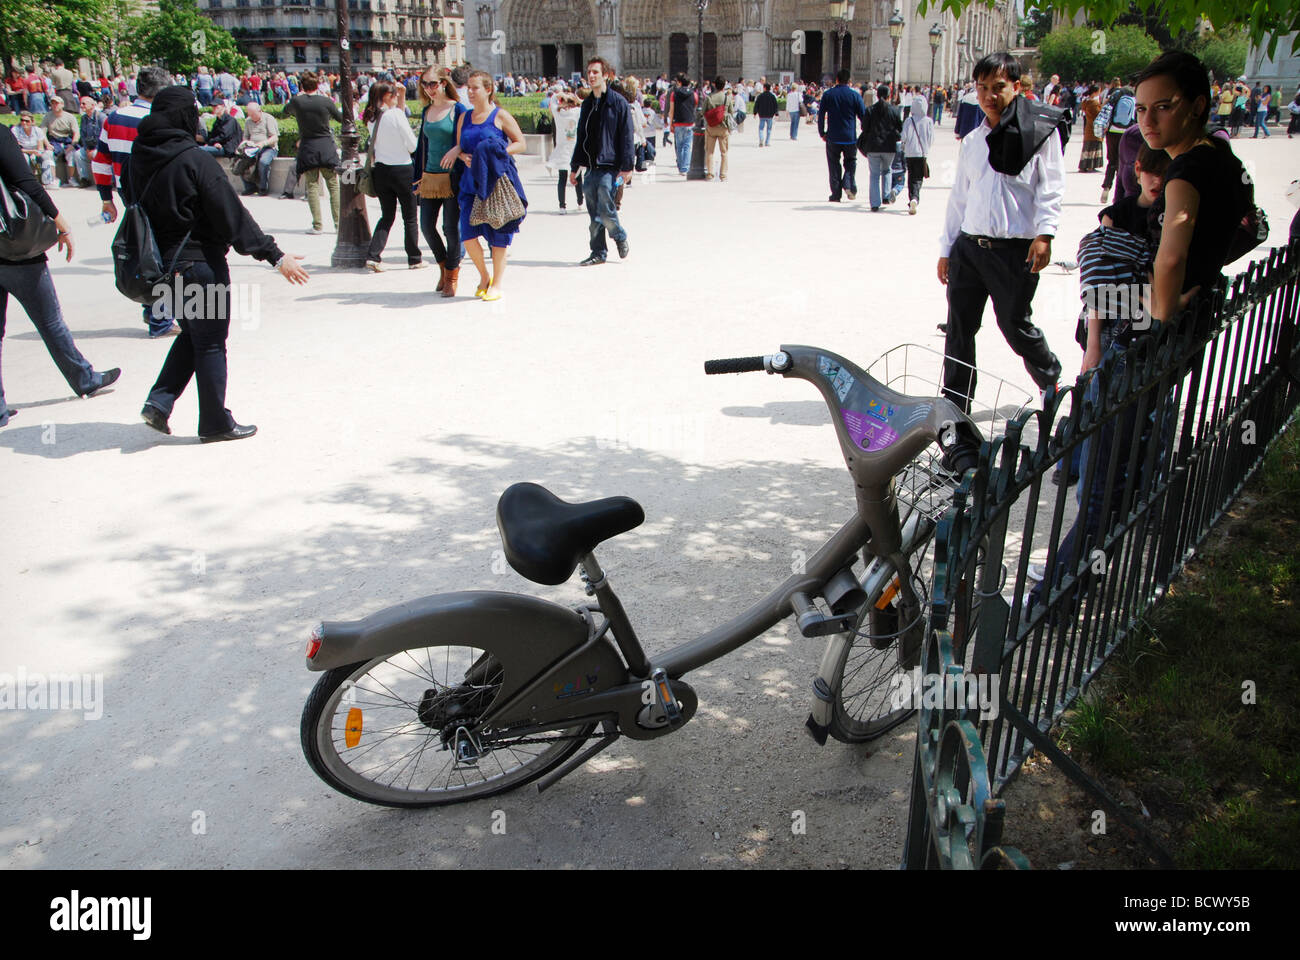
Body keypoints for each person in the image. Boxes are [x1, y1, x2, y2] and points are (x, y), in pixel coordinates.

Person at [133, 86, 308, 442]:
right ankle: (214, 422)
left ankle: (159, 402)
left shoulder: (139, 158)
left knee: (194, 334)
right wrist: (275, 255)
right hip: (198, 264)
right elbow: (232, 215)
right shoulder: (193, 160)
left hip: (161, 267)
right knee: (210, 341)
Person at [936, 53, 1064, 411]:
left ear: (1017, 88)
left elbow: (1050, 187)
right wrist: (947, 248)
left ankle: (1049, 377)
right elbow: (959, 197)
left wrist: (1045, 234)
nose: (990, 95)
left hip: (1014, 251)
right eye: (982, 88)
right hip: (969, 249)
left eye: (998, 87)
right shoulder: (973, 140)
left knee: (1014, 324)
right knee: (959, 329)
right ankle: (956, 402)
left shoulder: (1040, 134)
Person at [0, 125, 120, 427]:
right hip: (15, 251)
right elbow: (25, 180)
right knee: (50, 321)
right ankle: (84, 378)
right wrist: (59, 220)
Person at [454, 70, 527, 298]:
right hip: (470, 182)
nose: (471, 92)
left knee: (499, 235)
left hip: (496, 181)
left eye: (475, 87)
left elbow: (521, 143)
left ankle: (497, 284)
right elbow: (460, 146)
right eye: (469, 87)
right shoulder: (464, 117)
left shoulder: (500, 115)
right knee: (467, 234)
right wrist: (460, 156)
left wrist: (496, 154)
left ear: (488, 90)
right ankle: (484, 276)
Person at [569, 57, 632, 267]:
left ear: (606, 75)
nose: (592, 76)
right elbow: (581, 136)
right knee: (593, 214)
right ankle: (598, 251)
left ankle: (619, 235)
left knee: (605, 210)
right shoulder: (587, 104)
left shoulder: (618, 103)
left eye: (596, 72)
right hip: (591, 166)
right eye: (589, 72)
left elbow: (626, 136)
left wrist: (627, 167)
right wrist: (574, 166)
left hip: (610, 166)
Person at [413, 66, 467, 296]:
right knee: (426, 226)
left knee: (450, 229)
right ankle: (444, 267)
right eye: (424, 84)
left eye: (433, 84)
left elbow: (467, 138)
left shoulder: (458, 109)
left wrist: (457, 149)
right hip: (430, 176)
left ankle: (452, 277)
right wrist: (416, 177)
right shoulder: (426, 111)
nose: (429, 89)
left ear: (444, 83)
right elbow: (421, 146)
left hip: (453, 177)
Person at [362, 82, 423, 272]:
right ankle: (414, 258)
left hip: (381, 170)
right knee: (410, 217)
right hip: (403, 169)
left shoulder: (371, 117)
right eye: (395, 94)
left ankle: (373, 256)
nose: (397, 97)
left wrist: (401, 98)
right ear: (387, 96)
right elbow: (412, 145)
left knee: (386, 216)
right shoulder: (395, 114)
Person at [281, 72, 343, 233]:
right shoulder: (325, 101)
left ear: (302, 85)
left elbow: (285, 111)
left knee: (312, 186)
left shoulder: (297, 101)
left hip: (308, 146)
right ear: (317, 85)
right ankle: (338, 224)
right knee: (333, 186)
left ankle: (317, 225)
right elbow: (341, 118)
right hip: (326, 145)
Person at [818, 69, 864, 202]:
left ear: (836, 80)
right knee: (850, 162)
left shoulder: (828, 95)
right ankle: (848, 183)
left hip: (833, 136)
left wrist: (822, 132)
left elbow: (821, 115)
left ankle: (836, 194)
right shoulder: (855, 95)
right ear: (849, 81)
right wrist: (864, 131)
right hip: (850, 137)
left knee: (833, 165)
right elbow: (863, 116)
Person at [860, 83, 901, 210]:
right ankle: (886, 196)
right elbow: (900, 128)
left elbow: (864, 128)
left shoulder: (870, 110)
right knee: (887, 170)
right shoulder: (894, 110)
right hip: (889, 147)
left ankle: (875, 203)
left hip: (873, 147)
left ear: (877, 96)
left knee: (874, 175)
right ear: (889, 96)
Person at [1099, 78, 1135, 204]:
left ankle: (1106, 188)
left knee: (1111, 161)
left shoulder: (1115, 95)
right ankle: (1119, 194)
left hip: (1112, 132)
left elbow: (1104, 108)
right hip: (1126, 132)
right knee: (1123, 163)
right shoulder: (1134, 97)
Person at [547, 90, 583, 211]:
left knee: (562, 178)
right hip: (575, 148)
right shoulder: (577, 112)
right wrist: (577, 99)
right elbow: (585, 105)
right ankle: (580, 201)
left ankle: (562, 206)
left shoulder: (558, 113)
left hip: (562, 149)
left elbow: (552, 101)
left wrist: (558, 95)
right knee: (578, 176)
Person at [237, 101, 279, 196]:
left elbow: (274, 138)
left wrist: (263, 143)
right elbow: (245, 137)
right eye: (250, 115)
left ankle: (263, 187)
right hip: (252, 148)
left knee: (263, 162)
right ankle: (250, 187)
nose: (252, 117)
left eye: (253, 115)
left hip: (269, 148)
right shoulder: (248, 121)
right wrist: (248, 143)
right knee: (240, 161)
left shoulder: (268, 119)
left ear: (260, 111)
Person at [902, 93, 933, 215]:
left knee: (911, 177)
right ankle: (915, 197)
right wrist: (926, 148)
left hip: (910, 153)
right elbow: (931, 138)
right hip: (922, 153)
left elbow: (903, 137)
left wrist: (904, 146)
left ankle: (912, 198)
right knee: (919, 178)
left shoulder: (909, 121)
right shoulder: (928, 121)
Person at [702, 75, 734, 181]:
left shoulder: (709, 97)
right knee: (724, 153)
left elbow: (703, 112)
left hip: (711, 127)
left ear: (714, 85)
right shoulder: (727, 98)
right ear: (724, 86)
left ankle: (710, 174)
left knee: (709, 152)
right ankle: (723, 175)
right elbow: (731, 113)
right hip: (723, 127)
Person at [13, 112, 55, 186]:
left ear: (32, 122)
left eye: (27, 121)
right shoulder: (15, 130)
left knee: (48, 155)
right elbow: (16, 148)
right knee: (24, 157)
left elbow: (40, 147)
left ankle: (48, 180)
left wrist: (36, 154)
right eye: (22, 120)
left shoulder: (37, 130)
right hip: (23, 151)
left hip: (36, 151)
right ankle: (26, 181)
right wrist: (31, 152)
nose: (24, 123)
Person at [667, 74, 696, 176]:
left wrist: (671, 123)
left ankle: (680, 167)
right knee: (687, 146)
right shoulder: (694, 94)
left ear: (679, 82)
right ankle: (685, 168)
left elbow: (671, 110)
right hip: (689, 123)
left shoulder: (674, 94)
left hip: (678, 123)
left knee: (679, 146)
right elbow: (695, 107)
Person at [1078, 85, 1103, 171]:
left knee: (1088, 145)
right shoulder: (1094, 103)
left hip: (1088, 125)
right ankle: (1091, 165)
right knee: (1094, 145)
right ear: (1095, 92)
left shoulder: (1085, 101)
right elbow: (1098, 115)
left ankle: (1085, 165)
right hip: (1095, 127)